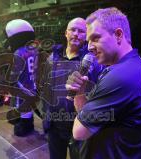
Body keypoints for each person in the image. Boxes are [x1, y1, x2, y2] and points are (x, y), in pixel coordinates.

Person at [66, 7, 141, 159]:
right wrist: (80, 91)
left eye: (95, 38)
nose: (89, 46)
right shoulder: (127, 67)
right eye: (88, 40)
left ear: (118, 34)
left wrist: (82, 100)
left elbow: (79, 132)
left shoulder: (122, 76)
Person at [40, 17, 102, 159]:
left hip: (78, 125)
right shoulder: (52, 57)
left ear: (86, 36)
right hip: (54, 123)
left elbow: (98, 92)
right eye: (72, 30)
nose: (76, 34)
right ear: (66, 33)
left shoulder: (93, 60)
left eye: (81, 31)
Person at [4, 19, 38, 136]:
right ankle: (27, 121)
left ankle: (26, 125)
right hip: (34, 83)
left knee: (23, 105)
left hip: (23, 84)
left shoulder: (19, 52)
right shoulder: (35, 49)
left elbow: (15, 72)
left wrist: (10, 81)